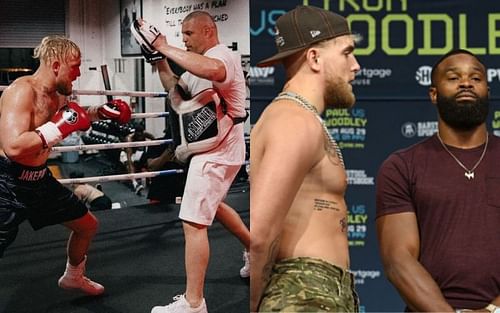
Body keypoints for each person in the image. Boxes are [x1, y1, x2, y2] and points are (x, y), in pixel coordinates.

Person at [131, 12, 250, 313]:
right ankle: (256, 250)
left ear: (208, 30)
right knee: (215, 207)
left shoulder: (221, 56)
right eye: (181, 34)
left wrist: (165, 45)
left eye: (188, 33)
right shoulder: (197, 63)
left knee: (193, 222)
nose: (183, 39)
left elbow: (213, 69)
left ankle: (194, 304)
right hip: (216, 150)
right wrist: (158, 58)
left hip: (218, 152)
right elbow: (176, 88)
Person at [250, 5, 361, 312]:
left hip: (318, 292)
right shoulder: (293, 121)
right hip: (302, 295)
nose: (356, 65)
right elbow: (261, 235)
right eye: (347, 52)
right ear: (314, 58)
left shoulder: (302, 118)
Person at [0, 35, 131, 295]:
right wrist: (58, 128)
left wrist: (102, 112)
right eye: (75, 66)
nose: (79, 72)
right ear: (56, 64)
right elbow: (13, 146)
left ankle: (74, 277)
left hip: (38, 179)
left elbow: (76, 115)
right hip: (8, 183)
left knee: (87, 226)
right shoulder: (21, 91)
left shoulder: (57, 95)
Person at [376, 49, 500, 312]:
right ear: (434, 94)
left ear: (488, 91)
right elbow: (398, 259)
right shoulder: (402, 166)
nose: (466, 83)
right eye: (454, 78)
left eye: (476, 78)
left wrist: (493, 310)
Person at [120, 122, 155, 195]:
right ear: (135, 133)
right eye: (138, 134)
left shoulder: (145, 134)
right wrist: (131, 166)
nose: (140, 136)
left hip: (136, 153)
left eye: (141, 134)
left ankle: (151, 180)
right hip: (126, 154)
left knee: (148, 158)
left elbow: (154, 139)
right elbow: (129, 157)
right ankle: (135, 184)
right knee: (129, 164)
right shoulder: (129, 139)